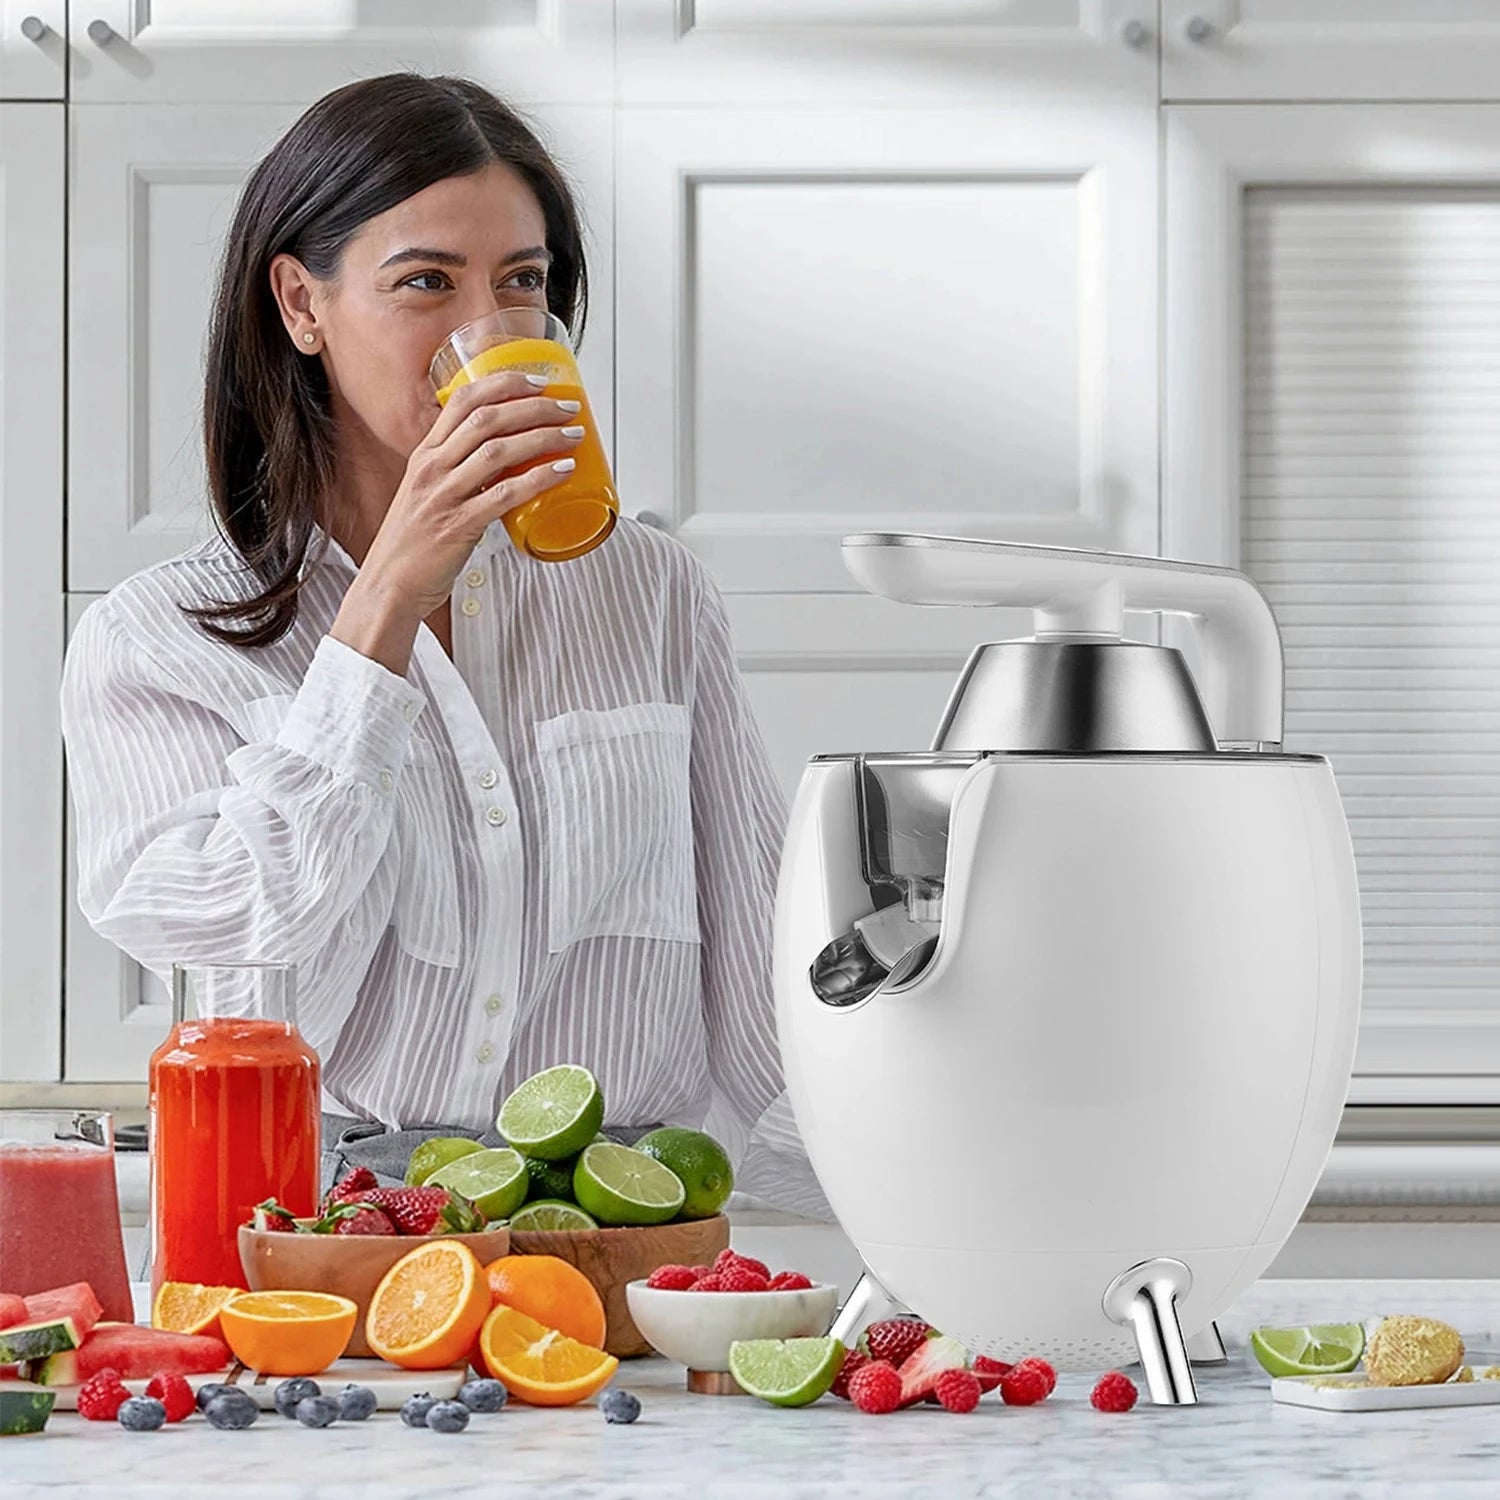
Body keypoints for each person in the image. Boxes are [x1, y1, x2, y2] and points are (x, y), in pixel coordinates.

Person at [60, 72, 826, 1216]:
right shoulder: (160, 638)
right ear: (301, 305)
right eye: (425, 282)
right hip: (315, 1225)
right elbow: (230, 921)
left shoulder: (652, 593)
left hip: (614, 1220)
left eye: (521, 282)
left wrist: (911, 1227)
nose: (487, 331)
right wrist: (388, 598)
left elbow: (763, 993)